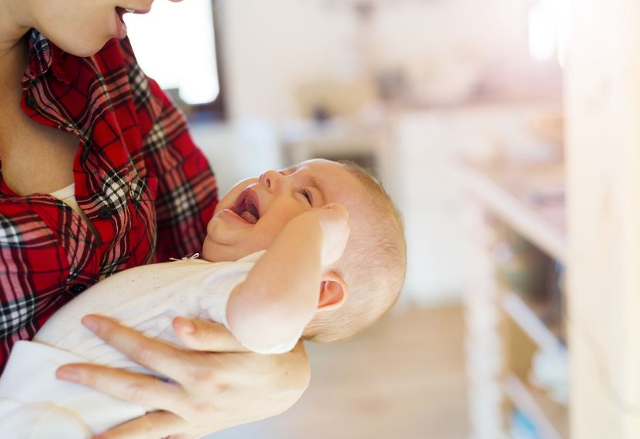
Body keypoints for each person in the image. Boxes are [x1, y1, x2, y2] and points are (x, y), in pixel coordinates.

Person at [0, 0, 310, 437]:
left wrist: (287, 371)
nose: (154, 5)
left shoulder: (105, 66)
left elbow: (218, 253)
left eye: (309, 195)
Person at [0, 159, 407, 438]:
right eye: (285, 171)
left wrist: (312, 232)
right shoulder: (214, 280)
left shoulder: (246, 290)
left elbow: (270, 313)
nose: (268, 176)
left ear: (320, 291)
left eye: (306, 198)